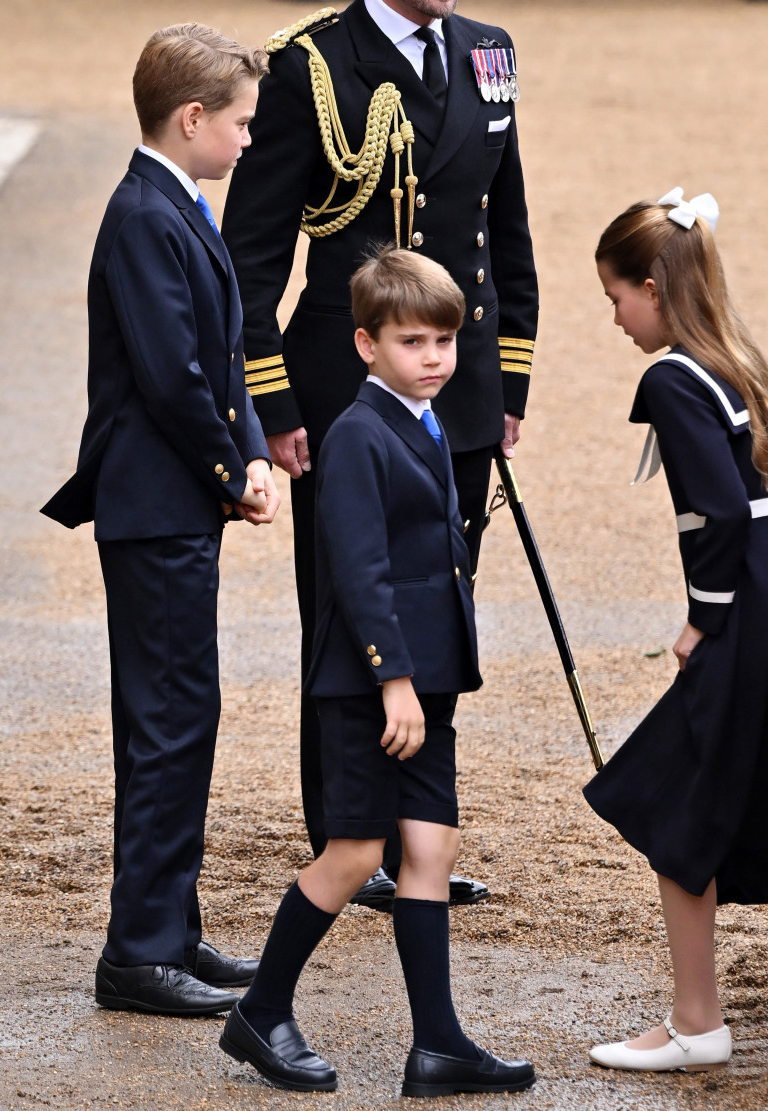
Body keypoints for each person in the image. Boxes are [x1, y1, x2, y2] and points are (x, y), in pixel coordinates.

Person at [221, 0, 539, 908]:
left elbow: (501, 225)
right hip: (341, 397)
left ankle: (416, 835)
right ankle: (349, 833)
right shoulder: (310, 68)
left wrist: (506, 382)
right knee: (350, 610)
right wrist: (273, 404)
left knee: (437, 604)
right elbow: (250, 265)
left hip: (460, 386)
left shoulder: (488, 51)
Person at [217, 247, 536, 1096]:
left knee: (430, 845)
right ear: (365, 345)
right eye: (411, 342)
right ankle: (262, 1008)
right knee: (357, 851)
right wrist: (392, 677)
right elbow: (356, 570)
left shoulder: (426, 422)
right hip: (370, 688)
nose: (433, 358)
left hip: (425, 684)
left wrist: (430, 675)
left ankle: (438, 1044)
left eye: (444, 339)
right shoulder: (358, 433)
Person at [41, 23, 281, 1016]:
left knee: (175, 719)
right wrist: (235, 471)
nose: (249, 142)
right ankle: (138, 951)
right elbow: (174, 378)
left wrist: (256, 451)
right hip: (156, 506)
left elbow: (222, 360)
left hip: (176, 500)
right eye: (241, 124)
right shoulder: (145, 214)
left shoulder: (172, 203)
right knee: (172, 723)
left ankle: (169, 929)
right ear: (191, 120)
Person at [583, 188, 768, 1071]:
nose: (616, 318)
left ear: (654, 288)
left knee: (679, 804)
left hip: (751, 612)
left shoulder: (670, 377)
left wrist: (704, 622)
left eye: (617, 297)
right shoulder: (741, 358)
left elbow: (720, 514)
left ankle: (699, 1023)